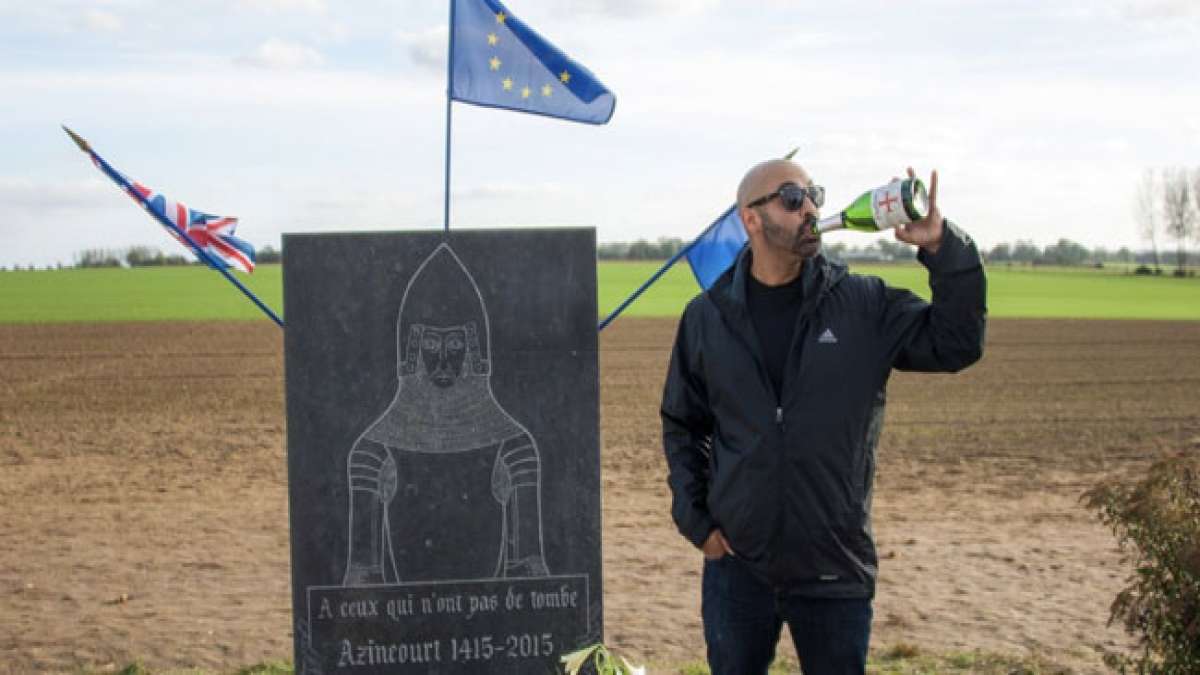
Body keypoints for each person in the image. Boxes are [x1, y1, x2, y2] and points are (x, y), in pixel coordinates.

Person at [660, 159, 986, 674]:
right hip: (738, 568)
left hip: (835, 567)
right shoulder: (708, 317)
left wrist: (943, 247)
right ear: (751, 218)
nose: (810, 207)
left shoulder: (863, 305)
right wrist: (697, 521)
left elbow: (958, 342)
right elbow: (683, 424)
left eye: (814, 194)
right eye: (792, 198)